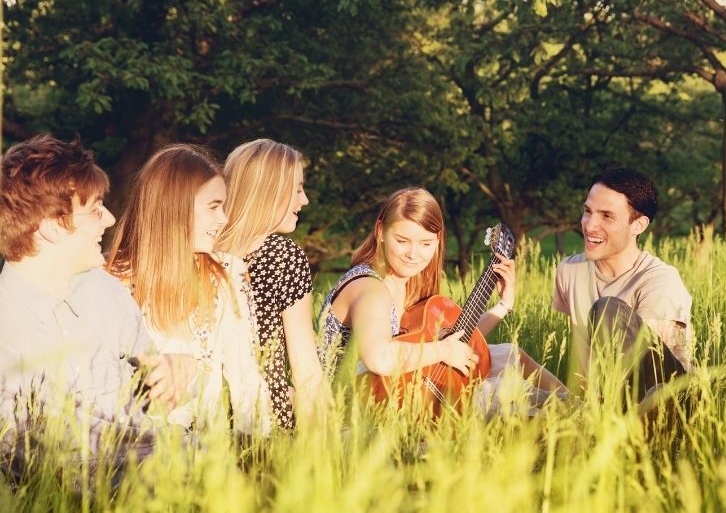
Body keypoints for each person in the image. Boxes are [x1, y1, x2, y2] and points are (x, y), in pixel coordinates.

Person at [0, 135, 193, 476]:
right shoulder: (7, 330)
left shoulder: (106, 291)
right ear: (51, 228)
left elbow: (153, 400)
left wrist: (171, 373)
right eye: (94, 210)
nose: (110, 219)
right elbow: (57, 466)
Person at [317, 187, 565, 413]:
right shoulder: (370, 288)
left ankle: (577, 403)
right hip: (356, 404)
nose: (414, 254)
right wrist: (443, 350)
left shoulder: (408, 283)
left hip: (402, 383)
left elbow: (454, 340)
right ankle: (568, 422)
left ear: (438, 241)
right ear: (381, 232)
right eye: (402, 241)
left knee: (509, 354)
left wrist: (503, 305)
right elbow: (379, 357)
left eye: (425, 243)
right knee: (502, 393)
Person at [106, 144, 272, 436]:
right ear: (174, 207)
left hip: (206, 453)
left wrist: (260, 454)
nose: (224, 219)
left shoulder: (227, 274)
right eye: (213, 207)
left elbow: (245, 373)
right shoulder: (114, 282)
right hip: (134, 452)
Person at [551, 167, 693, 399]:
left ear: (638, 225)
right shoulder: (569, 271)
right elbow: (584, 357)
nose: (589, 225)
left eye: (606, 216)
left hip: (666, 400)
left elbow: (655, 372)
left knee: (609, 310)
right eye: (588, 211)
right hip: (598, 401)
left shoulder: (660, 281)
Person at [217, 139, 325, 431]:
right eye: (298, 189)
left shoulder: (206, 249)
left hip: (206, 425)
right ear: (269, 191)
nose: (304, 201)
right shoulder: (283, 256)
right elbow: (306, 370)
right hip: (265, 424)